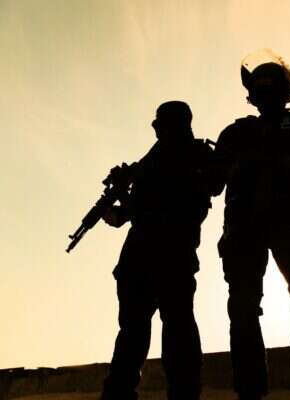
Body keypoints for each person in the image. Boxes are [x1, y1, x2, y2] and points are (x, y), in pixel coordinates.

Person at [212, 49, 290, 400]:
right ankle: (275, 391)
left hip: (283, 222)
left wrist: (289, 163)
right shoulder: (237, 134)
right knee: (247, 309)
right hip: (250, 227)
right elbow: (213, 180)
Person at [100, 101, 217, 400]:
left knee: (176, 328)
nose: (155, 130)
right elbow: (124, 216)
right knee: (134, 332)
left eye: (159, 124)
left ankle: (182, 392)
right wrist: (114, 202)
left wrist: (126, 197)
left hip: (172, 254)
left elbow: (192, 200)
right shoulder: (149, 163)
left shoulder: (196, 155)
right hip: (140, 259)